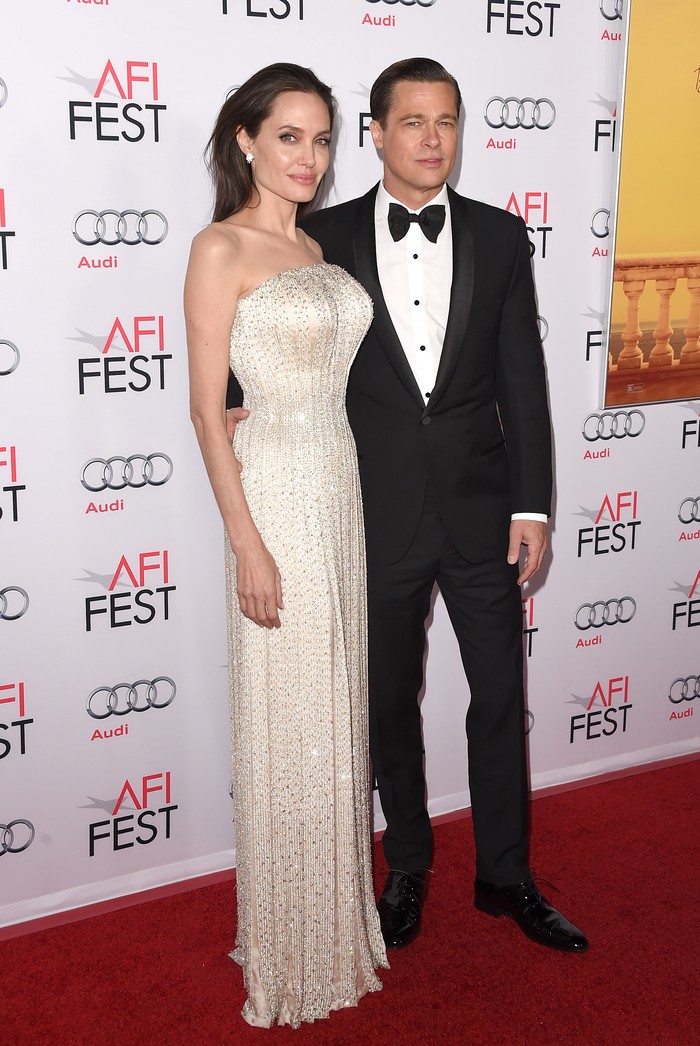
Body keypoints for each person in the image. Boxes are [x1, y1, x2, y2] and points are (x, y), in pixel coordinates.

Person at [229, 58, 587, 955]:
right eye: (414, 122)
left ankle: (507, 877)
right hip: (367, 510)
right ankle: (410, 864)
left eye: (449, 122)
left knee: (500, 694)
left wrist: (533, 508)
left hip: (481, 510)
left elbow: (525, 384)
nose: (433, 140)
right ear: (378, 134)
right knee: (388, 701)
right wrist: (243, 396)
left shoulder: (504, 240)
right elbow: (264, 330)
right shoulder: (324, 238)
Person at [184, 63, 387, 1029]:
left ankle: (334, 924)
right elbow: (205, 409)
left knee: (333, 712)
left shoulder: (316, 246)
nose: (309, 157)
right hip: (272, 494)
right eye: (290, 137)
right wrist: (246, 545)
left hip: (337, 488)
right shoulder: (219, 248)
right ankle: (287, 941)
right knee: (288, 716)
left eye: (321, 138)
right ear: (246, 141)